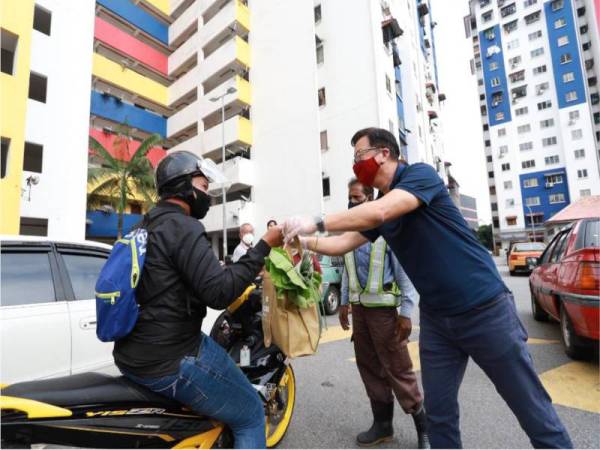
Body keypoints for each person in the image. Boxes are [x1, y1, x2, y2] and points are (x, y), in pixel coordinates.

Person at [282, 128, 572, 449]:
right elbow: (340, 245)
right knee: (440, 417)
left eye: (359, 156)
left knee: (531, 408)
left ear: (383, 153)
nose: (355, 165)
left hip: (484, 309)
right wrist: (302, 241)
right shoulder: (380, 208)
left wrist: (314, 220)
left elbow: (382, 210)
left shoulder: (420, 176)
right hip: (437, 321)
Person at [113, 151, 283, 449]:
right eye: (204, 187)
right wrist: (264, 245)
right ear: (184, 187)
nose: (207, 195)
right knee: (251, 414)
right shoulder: (184, 227)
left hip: (132, 353)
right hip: (172, 357)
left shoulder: (143, 226)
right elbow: (219, 293)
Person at [341, 178, 429, 449]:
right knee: (369, 368)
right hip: (360, 311)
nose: (351, 202)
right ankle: (383, 425)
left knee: (397, 368)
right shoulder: (350, 230)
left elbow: (405, 273)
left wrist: (406, 312)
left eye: (356, 197)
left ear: (369, 198)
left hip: (385, 314)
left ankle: (424, 429)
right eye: (350, 197)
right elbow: (347, 268)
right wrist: (344, 303)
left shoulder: (386, 228)